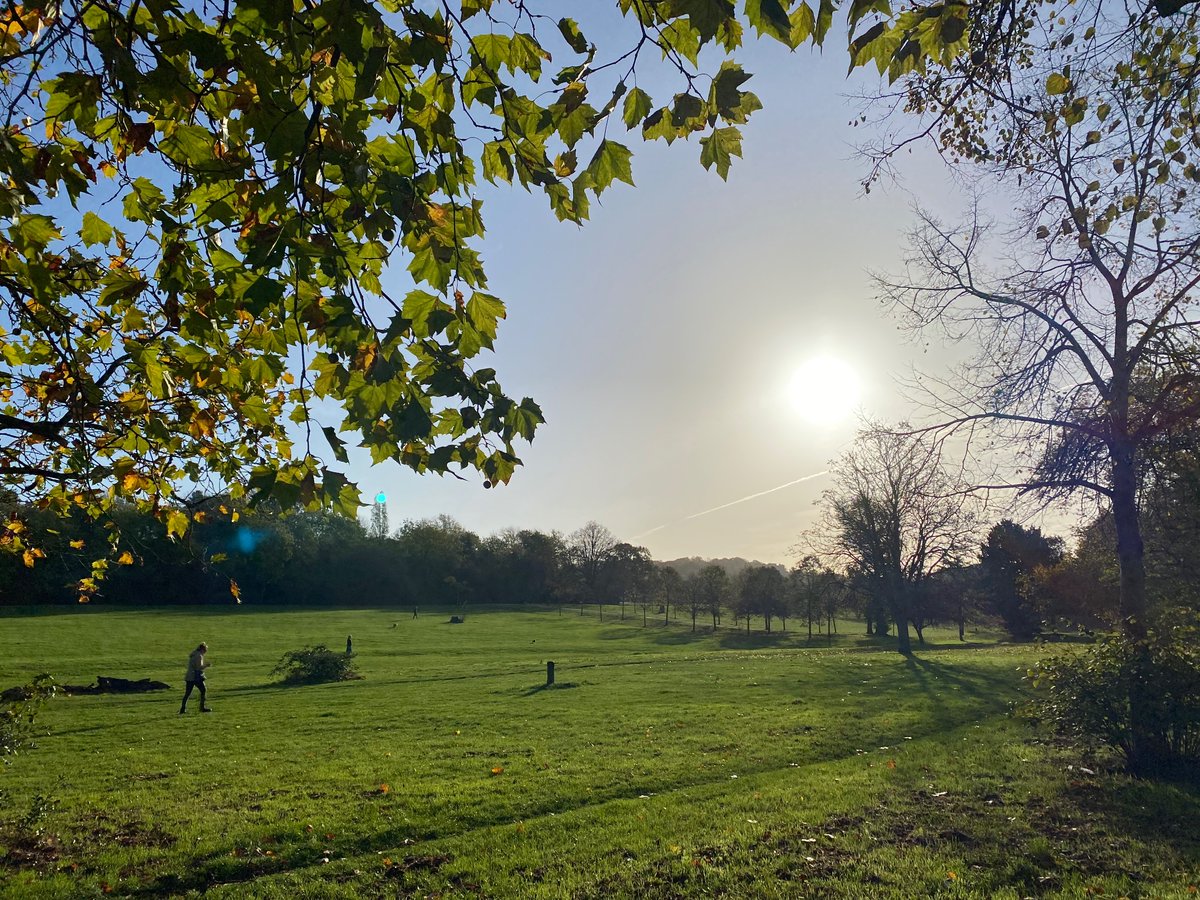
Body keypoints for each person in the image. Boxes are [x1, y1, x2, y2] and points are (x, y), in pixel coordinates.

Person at [179, 642, 211, 714]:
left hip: (189, 676)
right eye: (205, 650)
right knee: (203, 690)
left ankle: (182, 709)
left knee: (187, 693)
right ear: (203, 649)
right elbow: (198, 667)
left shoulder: (194, 654)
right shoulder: (199, 656)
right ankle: (202, 707)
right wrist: (206, 665)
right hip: (195, 677)